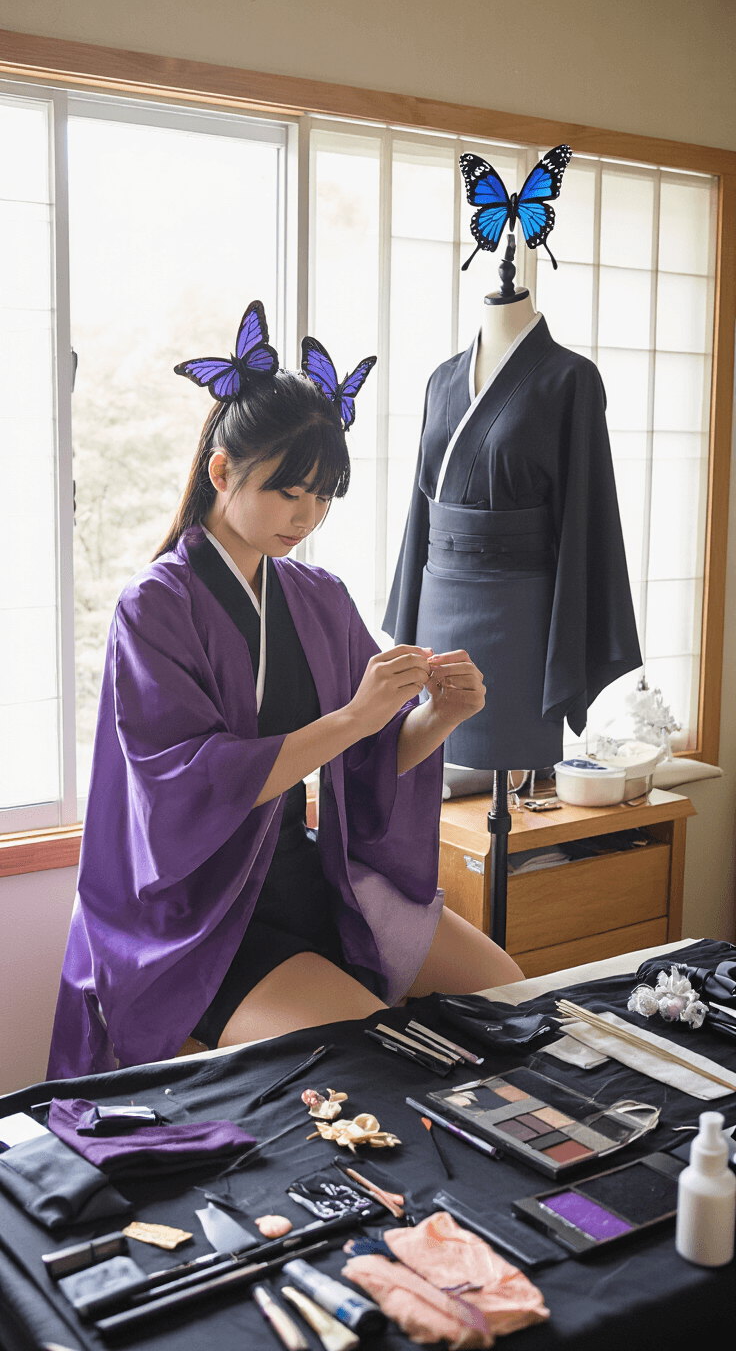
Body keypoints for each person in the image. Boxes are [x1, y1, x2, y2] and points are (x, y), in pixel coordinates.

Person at [47, 306, 522, 1081]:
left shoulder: (316, 595)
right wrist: (354, 715)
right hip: (195, 910)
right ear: (223, 470)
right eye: (288, 492)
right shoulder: (154, 606)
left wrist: (440, 714)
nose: (306, 518)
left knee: (513, 998)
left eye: (323, 497)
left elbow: (370, 754)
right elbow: (189, 787)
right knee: (382, 1061)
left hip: (309, 870)